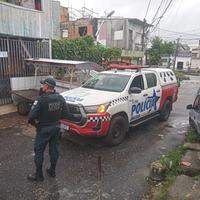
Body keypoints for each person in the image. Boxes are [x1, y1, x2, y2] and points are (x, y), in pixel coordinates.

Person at [27, 77, 68, 182]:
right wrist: (56, 120)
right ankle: (52, 171)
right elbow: (66, 114)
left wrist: (36, 125)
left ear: (46, 86)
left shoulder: (41, 100)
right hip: (56, 128)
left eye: (42, 85)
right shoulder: (60, 98)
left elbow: (31, 117)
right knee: (54, 150)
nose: (42, 87)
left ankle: (39, 176)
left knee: (39, 151)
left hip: (43, 129)